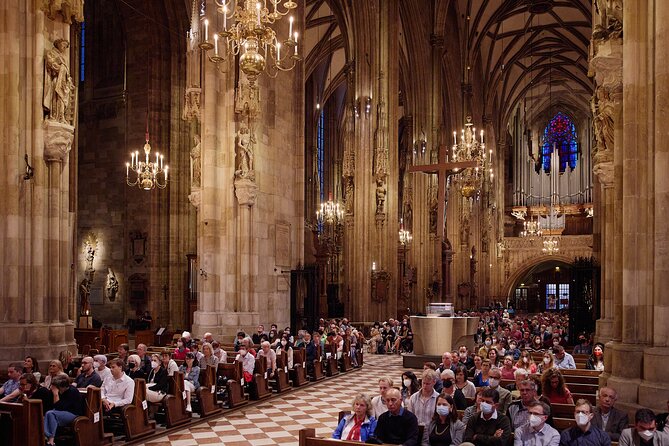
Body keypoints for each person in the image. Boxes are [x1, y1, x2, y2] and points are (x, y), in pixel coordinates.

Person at [43, 375, 85, 446]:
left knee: (51, 414)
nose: (52, 388)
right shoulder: (61, 391)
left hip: (74, 414)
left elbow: (60, 407)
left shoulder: (72, 391)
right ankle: (48, 438)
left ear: (61, 387)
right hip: (63, 413)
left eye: (55, 387)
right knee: (48, 413)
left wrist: (55, 394)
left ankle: (51, 440)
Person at [408, 369, 440, 445]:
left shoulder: (438, 398)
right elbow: (409, 417)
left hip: (432, 433)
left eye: (428, 384)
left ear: (434, 382)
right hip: (415, 433)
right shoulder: (413, 397)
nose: (425, 386)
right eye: (423, 383)